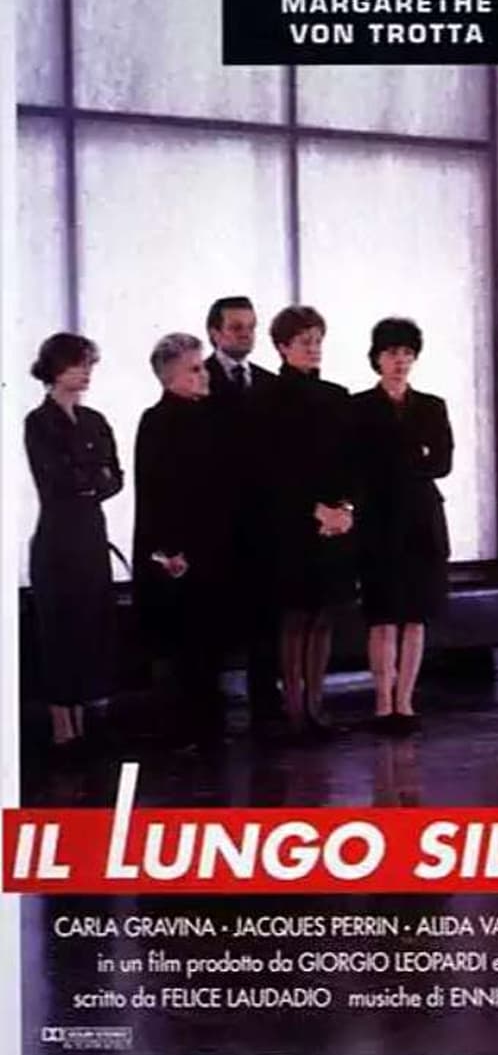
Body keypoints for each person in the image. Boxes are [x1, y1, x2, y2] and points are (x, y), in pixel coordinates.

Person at [132, 333, 239, 752]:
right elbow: (154, 492)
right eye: (195, 369)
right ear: (171, 377)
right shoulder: (157, 422)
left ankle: (209, 729)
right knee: (181, 644)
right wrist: (168, 550)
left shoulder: (211, 417)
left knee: (210, 644)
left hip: (214, 547)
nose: (204, 375)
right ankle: (183, 730)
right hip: (178, 554)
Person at [351, 318, 453, 729]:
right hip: (378, 520)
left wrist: (399, 460)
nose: (400, 361)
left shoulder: (432, 406)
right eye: (393, 353)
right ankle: (382, 702)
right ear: (377, 357)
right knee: (382, 614)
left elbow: (441, 463)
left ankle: (405, 702)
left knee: (415, 615)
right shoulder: (359, 407)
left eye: (407, 353)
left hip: (421, 520)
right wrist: (413, 455)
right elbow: (358, 465)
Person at [25, 332, 123, 751]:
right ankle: (62, 726)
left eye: (88, 364)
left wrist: (88, 477)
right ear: (55, 368)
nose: (85, 372)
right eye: (76, 363)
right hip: (58, 539)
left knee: (91, 626)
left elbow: (114, 478)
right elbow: (58, 479)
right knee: (59, 629)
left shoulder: (94, 420)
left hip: (91, 535)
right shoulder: (39, 421)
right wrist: (90, 476)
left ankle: (85, 721)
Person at [264, 305, 354, 736]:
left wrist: (346, 509)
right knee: (296, 616)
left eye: (318, 340)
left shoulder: (337, 396)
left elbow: (352, 462)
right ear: (283, 347)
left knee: (324, 616)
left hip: (333, 523)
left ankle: (317, 705)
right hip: (291, 524)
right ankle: (295, 709)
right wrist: (314, 509)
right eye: (305, 341)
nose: (314, 348)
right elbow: (273, 470)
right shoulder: (268, 398)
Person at [203, 296, 281, 734]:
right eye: (235, 327)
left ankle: (267, 712)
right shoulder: (199, 378)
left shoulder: (268, 382)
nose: (245, 335)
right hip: (218, 525)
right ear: (215, 332)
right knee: (215, 623)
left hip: (263, 525)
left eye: (250, 327)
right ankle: (211, 719)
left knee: (266, 624)